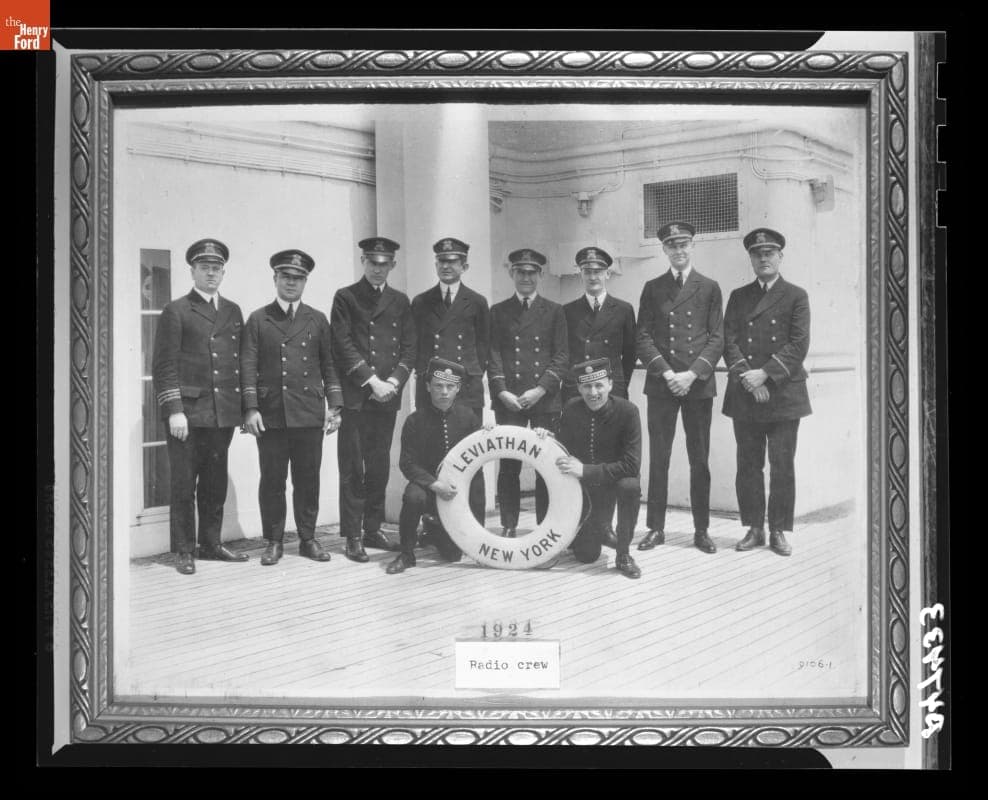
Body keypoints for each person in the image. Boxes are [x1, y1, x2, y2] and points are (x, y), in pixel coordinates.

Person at [152, 238, 249, 575]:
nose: (211, 272)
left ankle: (210, 544)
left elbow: (241, 362)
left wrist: (244, 409)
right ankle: (183, 550)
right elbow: (164, 366)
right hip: (188, 415)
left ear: (223, 271)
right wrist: (174, 409)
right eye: (204, 267)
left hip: (221, 413)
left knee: (214, 482)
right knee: (183, 484)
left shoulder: (233, 311)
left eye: (216, 267)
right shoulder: (176, 310)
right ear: (192, 270)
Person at [241, 249, 343, 566]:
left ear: (305, 282)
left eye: (297, 278)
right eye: (285, 277)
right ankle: (273, 541)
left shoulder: (317, 319)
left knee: (307, 479)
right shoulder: (259, 319)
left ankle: (308, 539)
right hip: (271, 414)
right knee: (272, 480)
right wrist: (251, 408)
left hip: (308, 412)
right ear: (275, 279)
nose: (291, 283)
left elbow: (329, 364)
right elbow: (247, 366)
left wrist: (335, 406)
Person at [636, 221, 724, 554]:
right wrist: (667, 373)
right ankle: (655, 528)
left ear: (692, 246)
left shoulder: (710, 287)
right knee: (659, 458)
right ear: (664, 250)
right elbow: (642, 336)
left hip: (697, 386)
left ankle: (701, 530)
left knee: (699, 460)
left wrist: (692, 374)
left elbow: (717, 337)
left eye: (684, 244)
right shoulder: (653, 287)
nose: (679, 250)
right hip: (662, 386)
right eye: (672, 246)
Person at [723, 227, 812, 557]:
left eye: (769, 253)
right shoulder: (738, 297)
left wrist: (765, 375)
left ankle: (777, 530)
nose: (764, 258)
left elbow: (798, 344)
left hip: (784, 394)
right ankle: (754, 528)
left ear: (780, 257)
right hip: (746, 393)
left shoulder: (796, 296)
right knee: (748, 465)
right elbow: (728, 341)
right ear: (750, 259)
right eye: (757, 254)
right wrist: (748, 378)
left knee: (782, 465)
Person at [331, 236, 416, 562]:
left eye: (384, 264)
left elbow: (409, 347)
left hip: (387, 396)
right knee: (353, 466)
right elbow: (343, 345)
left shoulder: (399, 301)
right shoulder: (346, 298)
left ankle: (373, 527)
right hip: (357, 395)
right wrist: (372, 381)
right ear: (363, 262)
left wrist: (393, 381)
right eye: (372, 263)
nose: (378, 270)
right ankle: (352, 535)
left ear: (392, 265)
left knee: (379, 464)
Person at [488, 248, 568, 537]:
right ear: (511, 273)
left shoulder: (555, 311)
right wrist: (501, 392)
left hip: (544, 400)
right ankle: (509, 525)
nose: (525, 277)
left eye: (531, 272)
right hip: (509, 400)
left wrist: (540, 389)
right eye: (520, 272)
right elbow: (493, 354)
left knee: (545, 465)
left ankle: (544, 525)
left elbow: (561, 357)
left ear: (540, 275)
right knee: (508, 465)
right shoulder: (498, 312)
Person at [410, 237, 489, 526]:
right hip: (432, 391)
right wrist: (428, 380)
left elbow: (483, 347)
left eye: (453, 262)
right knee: (432, 456)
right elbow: (416, 347)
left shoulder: (477, 302)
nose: (446, 266)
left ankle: (474, 524)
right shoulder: (421, 302)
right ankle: (434, 526)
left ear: (464, 265)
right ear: (436, 264)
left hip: (466, 390)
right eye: (442, 261)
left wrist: (469, 375)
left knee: (472, 459)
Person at [386, 359, 486, 574]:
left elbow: (478, 465)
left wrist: (479, 543)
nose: (444, 392)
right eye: (438, 386)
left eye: (450, 387)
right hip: (427, 487)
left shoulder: (468, 417)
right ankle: (406, 554)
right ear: (428, 386)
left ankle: (432, 531)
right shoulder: (415, 420)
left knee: (452, 555)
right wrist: (433, 484)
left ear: (458, 389)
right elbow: (407, 463)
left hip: (457, 490)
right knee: (413, 497)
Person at [552, 358, 642, 579]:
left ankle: (623, 553)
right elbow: (562, 449)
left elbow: (631, 464)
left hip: (615, 482)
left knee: (630, 486)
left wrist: (586, 470)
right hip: (586, 490)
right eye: (587, 386)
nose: (593, 392)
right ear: (579, 388)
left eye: (599, 385)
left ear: (610, 384)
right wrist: (546, 438)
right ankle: (599, 529)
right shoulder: (572, 409)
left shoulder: (628, 411)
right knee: (586, 555)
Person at [562, 247, 637, 403]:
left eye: (598, 271)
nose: (593, 277)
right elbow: (562, 354)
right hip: (577, 388)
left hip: (611, 388)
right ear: (580, 275)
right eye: (587, 272)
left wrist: (619, 382)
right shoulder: (567, 311)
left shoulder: (623, 309)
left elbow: (631, 353)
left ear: (607, 274)